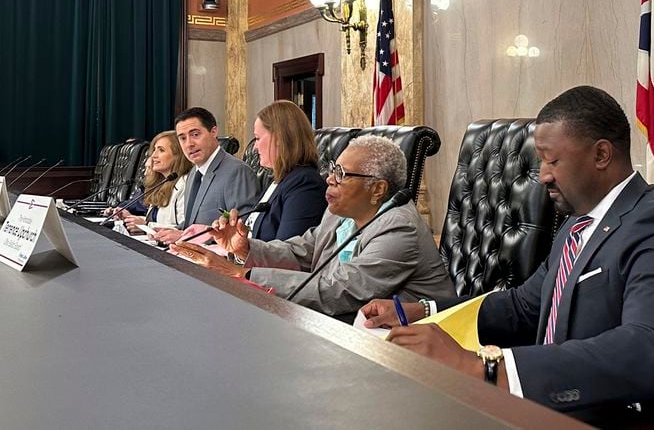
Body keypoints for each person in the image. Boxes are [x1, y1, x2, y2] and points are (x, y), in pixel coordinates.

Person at [360, 86, 654, 418]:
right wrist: (422, 310)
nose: (542, 176)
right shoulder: (577, 225)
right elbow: (523, 306)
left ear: (601, 154)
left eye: (551, 160)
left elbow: (652, 350)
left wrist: (486, 369)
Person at [171, 135, 454, 318]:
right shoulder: (339, 214)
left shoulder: (399, 227)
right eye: (332, 168)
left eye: (341, 174)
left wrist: (244, 275)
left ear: (378, 189)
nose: (329, 179)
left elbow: (339, 290)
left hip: (415, 339)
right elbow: (302, 250)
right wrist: (246, 248)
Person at [210, 100, 327, 245]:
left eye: (258, 138)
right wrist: (235, 240)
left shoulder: (305, 184)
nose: (254, 148)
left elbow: (287, 255)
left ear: (280, 138)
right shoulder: (278, 181)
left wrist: (244, 251)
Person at [153, 107, 260, 244]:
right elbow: (193, 222)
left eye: (195, 135)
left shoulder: (237, 172)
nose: (189, 144)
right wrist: (170, 232)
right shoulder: (194, 173)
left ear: (213, 132)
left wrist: (185, 237)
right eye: (183, 138)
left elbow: (242, 229)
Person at [110, 131, 191, 231]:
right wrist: (131, 219)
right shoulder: (161, 183)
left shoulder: (185, 183)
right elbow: (157, 221)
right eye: (154, 150)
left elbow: (186, 229)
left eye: (161, 150)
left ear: (178, 155)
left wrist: (145, 225)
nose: (153, 156)